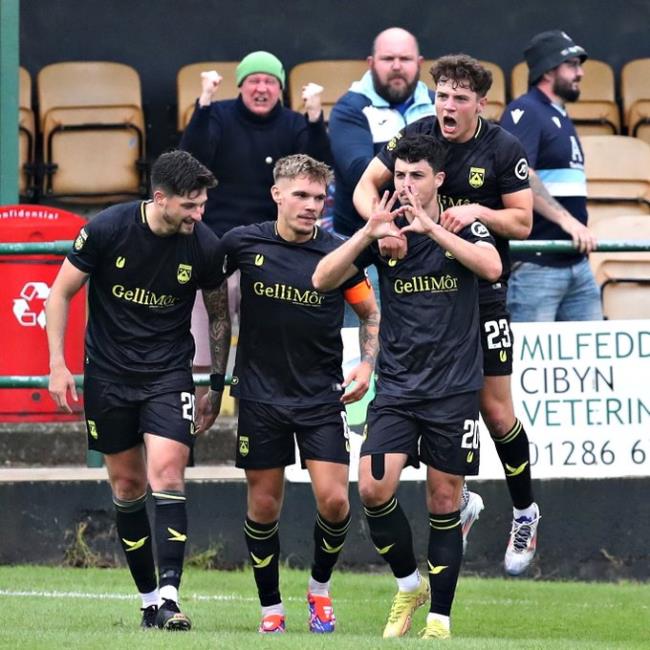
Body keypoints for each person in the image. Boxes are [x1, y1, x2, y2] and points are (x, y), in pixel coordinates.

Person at [353, 54, 541, 576]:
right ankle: (458, 504)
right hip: (425, 293)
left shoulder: (502, 147)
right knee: (427, 397)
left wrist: (478, 211)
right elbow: (365, 186)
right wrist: (381, 224)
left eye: (460, 97)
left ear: (481, 103)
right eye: (442, 95)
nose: (448, 106)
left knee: (496, 412)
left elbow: (523, 223)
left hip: (481, 291)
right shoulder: (415, 136)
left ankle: (525, 510)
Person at [313, 135, 502, 640]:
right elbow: (321, 278)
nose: (405, 185)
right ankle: (409, 584)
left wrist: (433, 230)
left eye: (416, 176)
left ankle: (439, 619)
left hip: (454, 388)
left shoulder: (463, 224)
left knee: (444, 499)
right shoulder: (384, 231)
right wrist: (366, 235)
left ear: (439, 180)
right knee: (373, 489)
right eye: (398, 176)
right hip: (397, 388)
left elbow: (492, 267)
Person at [45, 150, 231, 630]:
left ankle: (171, 596)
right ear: (160, 198)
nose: (198, 214)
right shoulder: (108, 229)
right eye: (189, 206)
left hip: (169, 375)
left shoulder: (204, 246)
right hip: (108, 376)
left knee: (167, 473)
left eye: (203, 205)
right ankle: (149, 600)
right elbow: (60, 292)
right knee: (128, 486)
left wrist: (215, 382)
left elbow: (218, 315)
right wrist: (57, 365)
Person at [214, 154, 379, 634]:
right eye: (301, 195)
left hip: (320, 397)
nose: (311, 206)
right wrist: (211, 374)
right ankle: (271, 609)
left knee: (335, 503)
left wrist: (367, 364)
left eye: (318, 197)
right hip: (261, 398)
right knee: (264, 507)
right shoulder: (243, 243)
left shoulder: (339, 254)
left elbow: (370, 314)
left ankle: (319, 591)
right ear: (277, 195)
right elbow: (205, 289)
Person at [180, 50, 332, 386]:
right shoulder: (217, 115)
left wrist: (315, 115)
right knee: (202, 344)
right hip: (215, 244)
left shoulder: (295, 124)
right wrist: (203, 102)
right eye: (253, 81)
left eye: (269, 81)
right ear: (240, 86)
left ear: (280, 88)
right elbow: (190, 160)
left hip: (272, 251)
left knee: (268, 351)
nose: (261, 88)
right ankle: (202, 401)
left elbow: (320, 173)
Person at [500, 30, 602, 322]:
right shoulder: (526, 110)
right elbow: (520, 175)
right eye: (571, 64)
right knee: (532, 361)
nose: (580, 73)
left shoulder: (558, 114)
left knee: (592, 359)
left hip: (576, 262)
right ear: (547, 70)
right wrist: (568, 221)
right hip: (537, 263)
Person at [328, 27, 435, 238]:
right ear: (371, 63)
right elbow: (359, 172)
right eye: (388, 59)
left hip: (429, 233)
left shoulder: (439, 105)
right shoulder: (349, 108)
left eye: (405, 59)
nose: (397, 66)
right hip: (360, 235)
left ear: (419, 63)